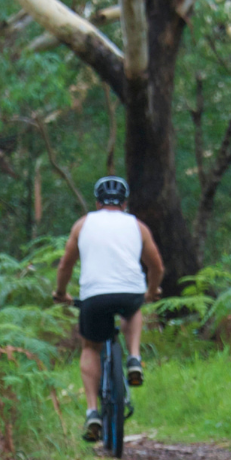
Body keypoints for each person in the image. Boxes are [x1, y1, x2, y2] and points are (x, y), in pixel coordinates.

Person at [52, 175, 164, 443]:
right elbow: (156, 267)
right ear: (125, 203)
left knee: (91, 347)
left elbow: (65, 265)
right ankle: (134, 358)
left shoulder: (83, 224)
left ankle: (92, 411)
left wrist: (60, 293)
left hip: (93, 296)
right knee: (133, 308)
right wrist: (151, 291)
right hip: (129, 292)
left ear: (97, 202)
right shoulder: (137, 226)